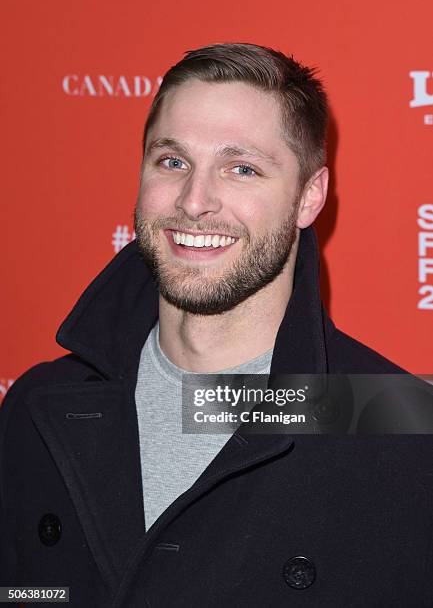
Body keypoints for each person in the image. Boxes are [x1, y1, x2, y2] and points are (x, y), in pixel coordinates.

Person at [1, 43, 432, 608]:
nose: (194, 201)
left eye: (242, 168)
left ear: (309, 197)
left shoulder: (402, 433)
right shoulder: (38, 407)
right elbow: (26, 593)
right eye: (172, 161)